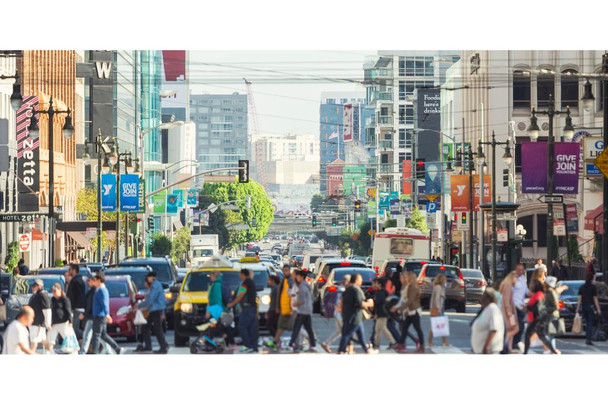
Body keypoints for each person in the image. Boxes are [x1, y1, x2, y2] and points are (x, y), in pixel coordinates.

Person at [337, 273, 378, 354]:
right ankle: (341, 350)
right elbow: (360, 303)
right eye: (360, 279)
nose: (361, 281)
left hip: (349, 315)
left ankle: (367, 350)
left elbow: (343, 301)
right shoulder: (355, 289)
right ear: (356, 280)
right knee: (347, 334)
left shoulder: (348, 289)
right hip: (354, 316)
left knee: (360, 335)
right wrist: (370, 304)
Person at [89, 273, 124, 354]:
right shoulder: (99, 289)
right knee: (103, 335)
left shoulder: (102, 290)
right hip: (99, 315)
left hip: (100, 316)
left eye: (94, 280)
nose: (93, 282)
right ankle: (117, 348)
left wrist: (107, 314)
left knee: (96, 335)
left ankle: (95, 352)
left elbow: (104, 303)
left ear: (99, 280)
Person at [392, 271, 425, 353]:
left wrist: (401, 309)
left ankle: (422, 345)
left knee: (418, 329)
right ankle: (400, 343)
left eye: (407, 277)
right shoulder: (409, 286)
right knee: (404, 328)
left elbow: (410, 300)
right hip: (410, 311)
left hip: (414, 311)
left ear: (410, 278)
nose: (406, 279)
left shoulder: (413, 287)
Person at [137, 271, 169, 354]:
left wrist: (139, 306)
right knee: (145, 326)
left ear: (152, 277)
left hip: (156, 309)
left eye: (148, 277)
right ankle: (149, 346)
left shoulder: (155, 286)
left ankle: (163, 347)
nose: (147, 279)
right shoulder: (155, 285)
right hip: (154, 309)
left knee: (158, 329)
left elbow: (150, 300)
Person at [227, 268, 258, 353]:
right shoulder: (251, 282)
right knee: (251, 328)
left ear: (243, 275)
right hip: (252, 307)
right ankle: (253, 347)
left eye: (240, 274)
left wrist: (232, 304)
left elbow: (240, 295)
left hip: (247, 308)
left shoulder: (245, 283)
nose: (239, 276)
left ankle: (248, 345)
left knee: (242, 326)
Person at [524, 280, 558, 354]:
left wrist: (528, 308)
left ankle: (525, 352)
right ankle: (553, 351)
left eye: (532, 284)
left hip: (537, 319)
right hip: (537, 318)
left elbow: (538, 307)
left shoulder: (539, 294)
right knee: (542, 336)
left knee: (529, 335)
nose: (530, 285)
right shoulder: (537, 294)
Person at [264, 264, 294, 351]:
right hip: (282, 308)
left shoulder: (289, 282)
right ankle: (276, 342)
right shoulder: (283, 281)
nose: (285, 272)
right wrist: (278, 306)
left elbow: (291, 295)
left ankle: (278, 342)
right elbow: (279, 297)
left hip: (287, 308)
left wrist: (291, 307)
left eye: (287, 270)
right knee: (281, 326)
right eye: (284, 270)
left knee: (294, 327)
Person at [79, 277, 112, 354]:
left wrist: (85, 314)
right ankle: (108, 350)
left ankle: (108, 350)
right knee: (95, 335)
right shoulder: (92, 291)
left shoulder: (96, 291)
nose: (88, 282)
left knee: (97, 335)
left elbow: (93, 305)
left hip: (95, 317)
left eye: (89, 281)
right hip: (93, 316)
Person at [320, 274, 351, 353]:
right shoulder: (343, 291)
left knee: (339, 331)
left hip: (336, 313)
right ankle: (345, 348)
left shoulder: (338, 290)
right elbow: (340, 304)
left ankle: (326, 343)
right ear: (346, 282)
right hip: (340, 314)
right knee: (346, 331)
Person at [288, 270, 316, 352]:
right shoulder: (307, 285)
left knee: (296, 328)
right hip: (308, 310)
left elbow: (301, 300)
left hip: (302, 310)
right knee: (308, 328)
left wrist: (294, 305)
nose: (297, 278)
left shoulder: (302, 287)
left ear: (302, 277)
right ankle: (313, 345)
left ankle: (291, 344)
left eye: (298, 276)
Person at [470, 289, 504, 354]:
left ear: (488, 298)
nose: (481, 298)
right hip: (481, 350)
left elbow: (494, 329)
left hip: (489, 351)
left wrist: (486, 346)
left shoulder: (493, 309)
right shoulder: (486, 309)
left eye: (483, 296)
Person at [576, 272, 602, 345]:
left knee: (587, 322)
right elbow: (595, 299)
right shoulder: (593, 287)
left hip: (584, 307)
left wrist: (577, 308)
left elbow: (580, 298)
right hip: (590, 306)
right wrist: (598, 309)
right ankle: (588, 339)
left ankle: (587, 337)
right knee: (590, 323)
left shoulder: (582, 287)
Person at [46, 283, 73, 354]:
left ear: (60, 290)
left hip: (63, 322)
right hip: (54, 323)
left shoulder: (64, 299)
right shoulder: (52, 299)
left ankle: (72, 352)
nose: (54, 293)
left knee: (67, 338)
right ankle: (50, 352)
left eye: (55, 291)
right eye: (53, 291)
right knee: (50, 339)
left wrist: (70, 321)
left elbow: (68, 311)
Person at [544, 276, 567, 353]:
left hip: (552, 315)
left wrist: (545, 309)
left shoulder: (550, 291)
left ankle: (552, 349)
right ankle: (552, 349)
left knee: (550, 333)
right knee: (550, 333)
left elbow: (555, 305)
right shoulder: (549, 291)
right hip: (550, 314)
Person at [28, 279, 51, 353]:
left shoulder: (42, 295)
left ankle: (31, 353)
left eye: (34, 286)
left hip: (38, 322)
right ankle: (51, 351)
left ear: (39, 287)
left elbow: (47, 310)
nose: (32, 288)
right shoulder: (36, 295)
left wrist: (48, 324)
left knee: (34, 340)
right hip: (35, 321)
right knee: (42, 339)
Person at [373, 278, 397, 349]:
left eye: (374, 283)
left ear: (379, 284)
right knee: (378, 329)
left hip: (382, 313)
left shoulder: (379, 293)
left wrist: (376, 314)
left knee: (383, 328)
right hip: (383, 313)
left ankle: (393, 342)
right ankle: (376, 343)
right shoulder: (383, 292)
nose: (373, 285)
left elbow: (378, 304)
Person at [499, 271, 519, 353]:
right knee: (515, 328)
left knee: (511, 329)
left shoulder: (507, 285)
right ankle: (504, 344)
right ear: (512, 277)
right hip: (508, 312)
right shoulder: (508, 286)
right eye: (516, 278)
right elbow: (506, 301)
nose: (517, 280)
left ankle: (509, 348)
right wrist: (509, 312)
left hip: (508, 312)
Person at [427, 273, 449, 347]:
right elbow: (437, 299)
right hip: (437, 309)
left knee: (441, 325)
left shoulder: (440, 287)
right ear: (441, 279)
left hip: (439, 309)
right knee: (436, 325)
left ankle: (444, 341)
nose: (445, 280)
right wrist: (439, 308)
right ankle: (431, 342)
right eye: (444, 279)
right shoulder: (438, 287)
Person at [512, 264, 529, 352]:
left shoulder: (523, 278)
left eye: (522, 270)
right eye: (518, 270)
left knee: (521, 325)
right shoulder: (513, 278)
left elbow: (526, 291)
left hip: (521, 305)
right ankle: (513, 342)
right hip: (514, 305)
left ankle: (515, 342)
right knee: (517, 325)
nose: (520, 271)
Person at [66, 263, 86, 336]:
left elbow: (77, 295)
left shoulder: (77, 281)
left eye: (70, 269)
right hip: (77, 307)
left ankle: (87, 337)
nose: (69, 271)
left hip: (78, 308)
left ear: (74, 270)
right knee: (75, 328)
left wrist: (72, 305)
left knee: (75, 328)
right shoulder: (76, 280)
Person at [266, 275, 280, 339]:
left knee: (270, 325)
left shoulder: (276, 288)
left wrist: (277, 307)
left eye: (269, 280)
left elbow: (278, 299)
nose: (268, 281)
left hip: (274, 309)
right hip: (272, 308)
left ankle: (276, 339)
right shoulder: (273, 288)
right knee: (274, 325)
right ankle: (276, 339)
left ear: (272, 281)